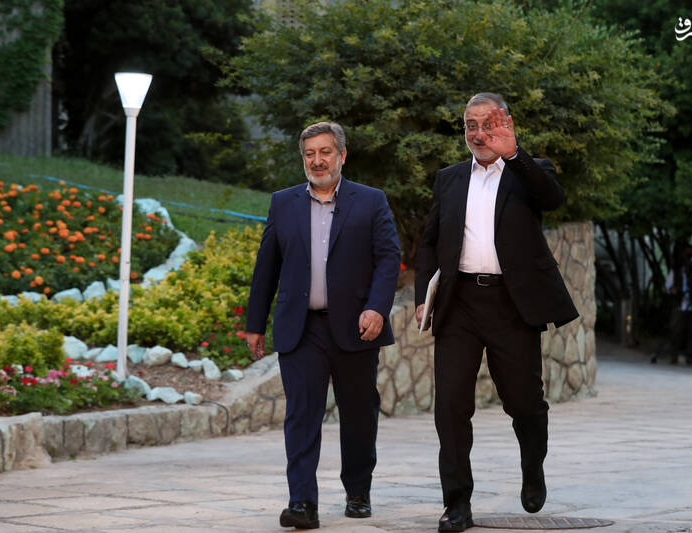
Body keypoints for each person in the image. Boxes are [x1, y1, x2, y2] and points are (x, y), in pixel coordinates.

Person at [415, 93, 578, 532]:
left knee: (524, 403)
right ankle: (457, 503)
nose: (478, 133)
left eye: (487, 124)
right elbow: (430, 241)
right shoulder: (449, 179)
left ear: (506, 124)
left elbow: (553, 199)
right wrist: (422, 296)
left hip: (512, 303)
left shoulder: (529, 170)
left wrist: (515, 155)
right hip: (459, 304)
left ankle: (533, 465)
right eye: (470, 125)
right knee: (450, 406)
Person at [246, 121, 401, 530]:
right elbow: (267, 266)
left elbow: (388, 259)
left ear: (342, 155)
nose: (317, 160)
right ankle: (302, 503)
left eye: (325, 152)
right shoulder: (283, 203)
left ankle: (358, 491)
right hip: (302, 329)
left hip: (356, 327)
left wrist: (377, 308)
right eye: (309, 153)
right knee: (301, 415)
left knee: (359, 415)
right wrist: (255, 323)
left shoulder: (371, 201)